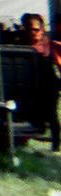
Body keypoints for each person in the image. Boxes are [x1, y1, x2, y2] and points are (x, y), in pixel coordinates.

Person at [21, 13, 60, 152]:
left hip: (48, 84)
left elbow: (59, 64)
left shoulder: (50, 46)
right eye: (31, 30)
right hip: (30, 85)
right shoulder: (22, 45)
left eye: (36, 29)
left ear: (42, 29)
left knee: (51, 114)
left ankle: (56, 144)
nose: (34, 33)